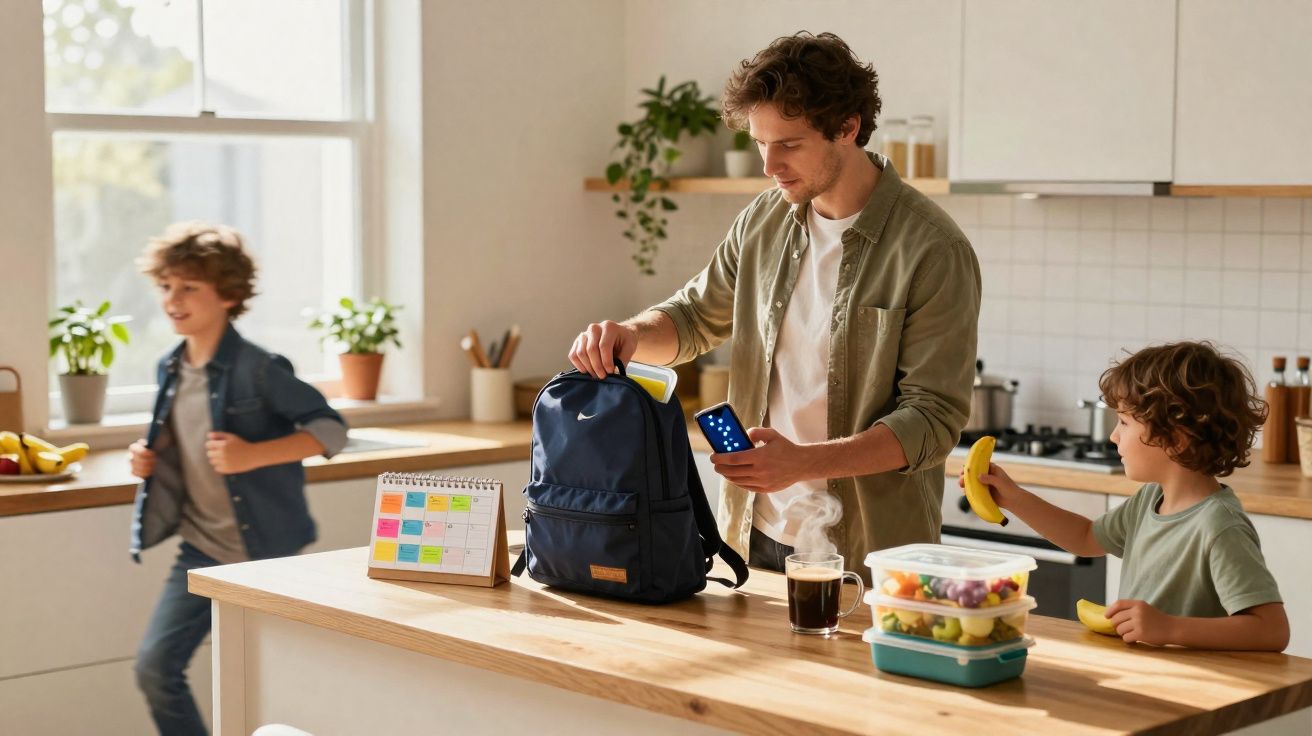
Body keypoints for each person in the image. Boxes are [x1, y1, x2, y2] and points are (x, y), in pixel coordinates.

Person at [569, 32, 980, 578]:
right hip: (751, 533)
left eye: (788, 144)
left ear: (847, 128)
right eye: (759, 143)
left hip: (866, 547)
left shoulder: (932, 248)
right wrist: (632, 334)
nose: (769, 165)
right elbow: (693, 318)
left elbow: (931, 421)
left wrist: (804, 462)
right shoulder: (763, 220)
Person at [127, 222, 349, 734]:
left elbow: (330, 431)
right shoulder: (170, 368)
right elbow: (183, 443)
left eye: (188, 287)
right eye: (165, 286)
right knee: (155, 668)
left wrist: (253, 455)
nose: (171, 299)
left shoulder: (260, 368)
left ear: (227, 294)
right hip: (201, 550)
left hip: (265, 555)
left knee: (276, 689)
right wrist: (148, 460)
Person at [966, 342, 1288, 650]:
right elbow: (1085, 537)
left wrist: (1169, 628)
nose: (1113, 435)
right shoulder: (1150, 500)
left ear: (1175, 438)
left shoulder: (1219, 526)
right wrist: (1015, 498)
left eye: (1123, 422)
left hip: (1195, 684)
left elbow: (1271, 629)